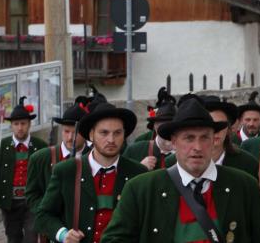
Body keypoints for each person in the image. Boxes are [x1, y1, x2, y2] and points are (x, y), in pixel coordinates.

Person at [101, 98, 260, 243]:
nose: (197, 147)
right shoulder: (141, 189)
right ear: (174, 142)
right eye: (189, 138)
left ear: (214, 139)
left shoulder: (244, 186)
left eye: (204, 137)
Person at [34, 102, 147, 243]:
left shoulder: (138, 173)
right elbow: (43, 215)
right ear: (91, 135)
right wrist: (63, 234)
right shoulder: (67, 171)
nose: (111, 140)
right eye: (104, 133)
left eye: (117, 133)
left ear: (124, 135)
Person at [0, 97, 47, 243]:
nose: (20, 127)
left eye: (23, 123)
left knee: (31, 237)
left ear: (29, 124)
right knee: (13, 237)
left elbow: (48, 176)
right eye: (16, 124)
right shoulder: (0, 147)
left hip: (33, 201)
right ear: (11, 126)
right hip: (9, 202)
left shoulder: (41, 146)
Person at [166, 94, 259, 178]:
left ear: (228, 129)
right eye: (209, 126)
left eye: (219, 126)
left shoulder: (248, 163)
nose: (215, 132)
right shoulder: (171, 163)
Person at [26, 96, 91, 215]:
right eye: (66, 131)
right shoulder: (41, 158)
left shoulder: (93, 157)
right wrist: (46, 213)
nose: (70, 138)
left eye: (76, 133)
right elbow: (32, 195)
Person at [124, 87, 177, 170]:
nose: (168, 130)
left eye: (172, 126)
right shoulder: (134, 150)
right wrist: (140, 168)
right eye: (163, 126)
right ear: (155, 126)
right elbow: (120, 178)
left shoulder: (188, 153)